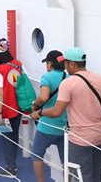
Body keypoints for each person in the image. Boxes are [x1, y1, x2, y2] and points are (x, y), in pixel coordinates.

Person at [40, 47, 101, 182]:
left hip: (80, 139)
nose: (64, 66)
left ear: (72, 64)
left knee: (80, 177)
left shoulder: (68, 83)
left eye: (65, 63)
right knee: (96, 176)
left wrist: (40, 112)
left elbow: (56, 111)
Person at [30, 50, 67, 182]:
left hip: (46, 125)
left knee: (37, 154)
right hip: (64, 125)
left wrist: (34, 105)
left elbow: (44, 97)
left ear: (50, 64)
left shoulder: (47, 77)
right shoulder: (68, 77)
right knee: (65, 160)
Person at [0, 38, 22, 178]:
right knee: (14, 136)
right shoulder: (17, 65)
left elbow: (1, 92)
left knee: (6, 138)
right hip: (18, 108)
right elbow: (15, 84)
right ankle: (13, 163)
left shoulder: (0, 69)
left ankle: (11, 167)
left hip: (5, 110)